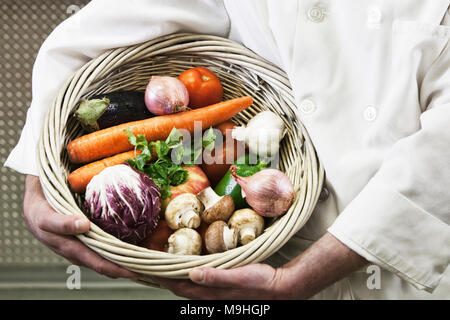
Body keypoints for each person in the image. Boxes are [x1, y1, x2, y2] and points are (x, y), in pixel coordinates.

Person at [6, 0, 450, 299]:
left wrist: (305, 277)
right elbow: (91, 34)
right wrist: (38, 179)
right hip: (257, 253)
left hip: (412, 260)